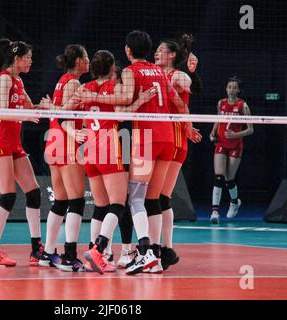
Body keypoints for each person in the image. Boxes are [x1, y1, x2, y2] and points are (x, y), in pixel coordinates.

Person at [76, 30, 173, 275]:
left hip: (147, 138)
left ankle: (142, 252)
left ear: (128, 51)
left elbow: (124, 98)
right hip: (168, 136)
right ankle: (156, 258)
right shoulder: (160, 71)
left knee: (136, 199)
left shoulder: (130, 72)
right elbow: (175, 101)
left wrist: (91, 96)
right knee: (154, 200)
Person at [0, 38, 43, 267]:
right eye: (28, 58)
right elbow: (2, 113)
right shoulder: (3, 80)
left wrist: (43, 107)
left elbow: (29, 107)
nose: (31, 61)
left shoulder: (18, 81)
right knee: (8, 194)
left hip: (14, 143)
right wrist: (26, 116)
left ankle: (37, 250)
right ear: (17, 58)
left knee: (34, 192)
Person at [152, 35, 202, 272]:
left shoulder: (177, 76)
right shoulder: (155, 75)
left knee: (159, 198)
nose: (156, 53)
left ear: (172, 55)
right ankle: (164, 250)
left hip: (174, 141)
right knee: (157, 198)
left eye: (161, 50)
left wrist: (193, 72)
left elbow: (193, 91)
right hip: (159, 140)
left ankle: (163, 249)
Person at [39, 44, 89, 272]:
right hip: (66, 145)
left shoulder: (62, 80)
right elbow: (64, 117)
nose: (88, 61)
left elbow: (57, 112)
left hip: (53, 144)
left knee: (60, 201)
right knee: (77, 200)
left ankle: (47, 252)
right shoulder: (74, 83)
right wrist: (75, 133)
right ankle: (69, 256)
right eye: (86, 57)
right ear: (79, 60)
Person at [209, 77, 254, 224]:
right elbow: (218, 120)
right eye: (229, 87)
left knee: (229, 179)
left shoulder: (243, 106)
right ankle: (214, 212)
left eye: (235, 87)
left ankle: (234, 202)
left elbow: (250, 129)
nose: (232, 90)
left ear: (239, 90)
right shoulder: (221, 103)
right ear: (226, 88)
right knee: (218, 177)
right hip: (221, 143)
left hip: (236, 145)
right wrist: (213, 133)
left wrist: (235, 135)